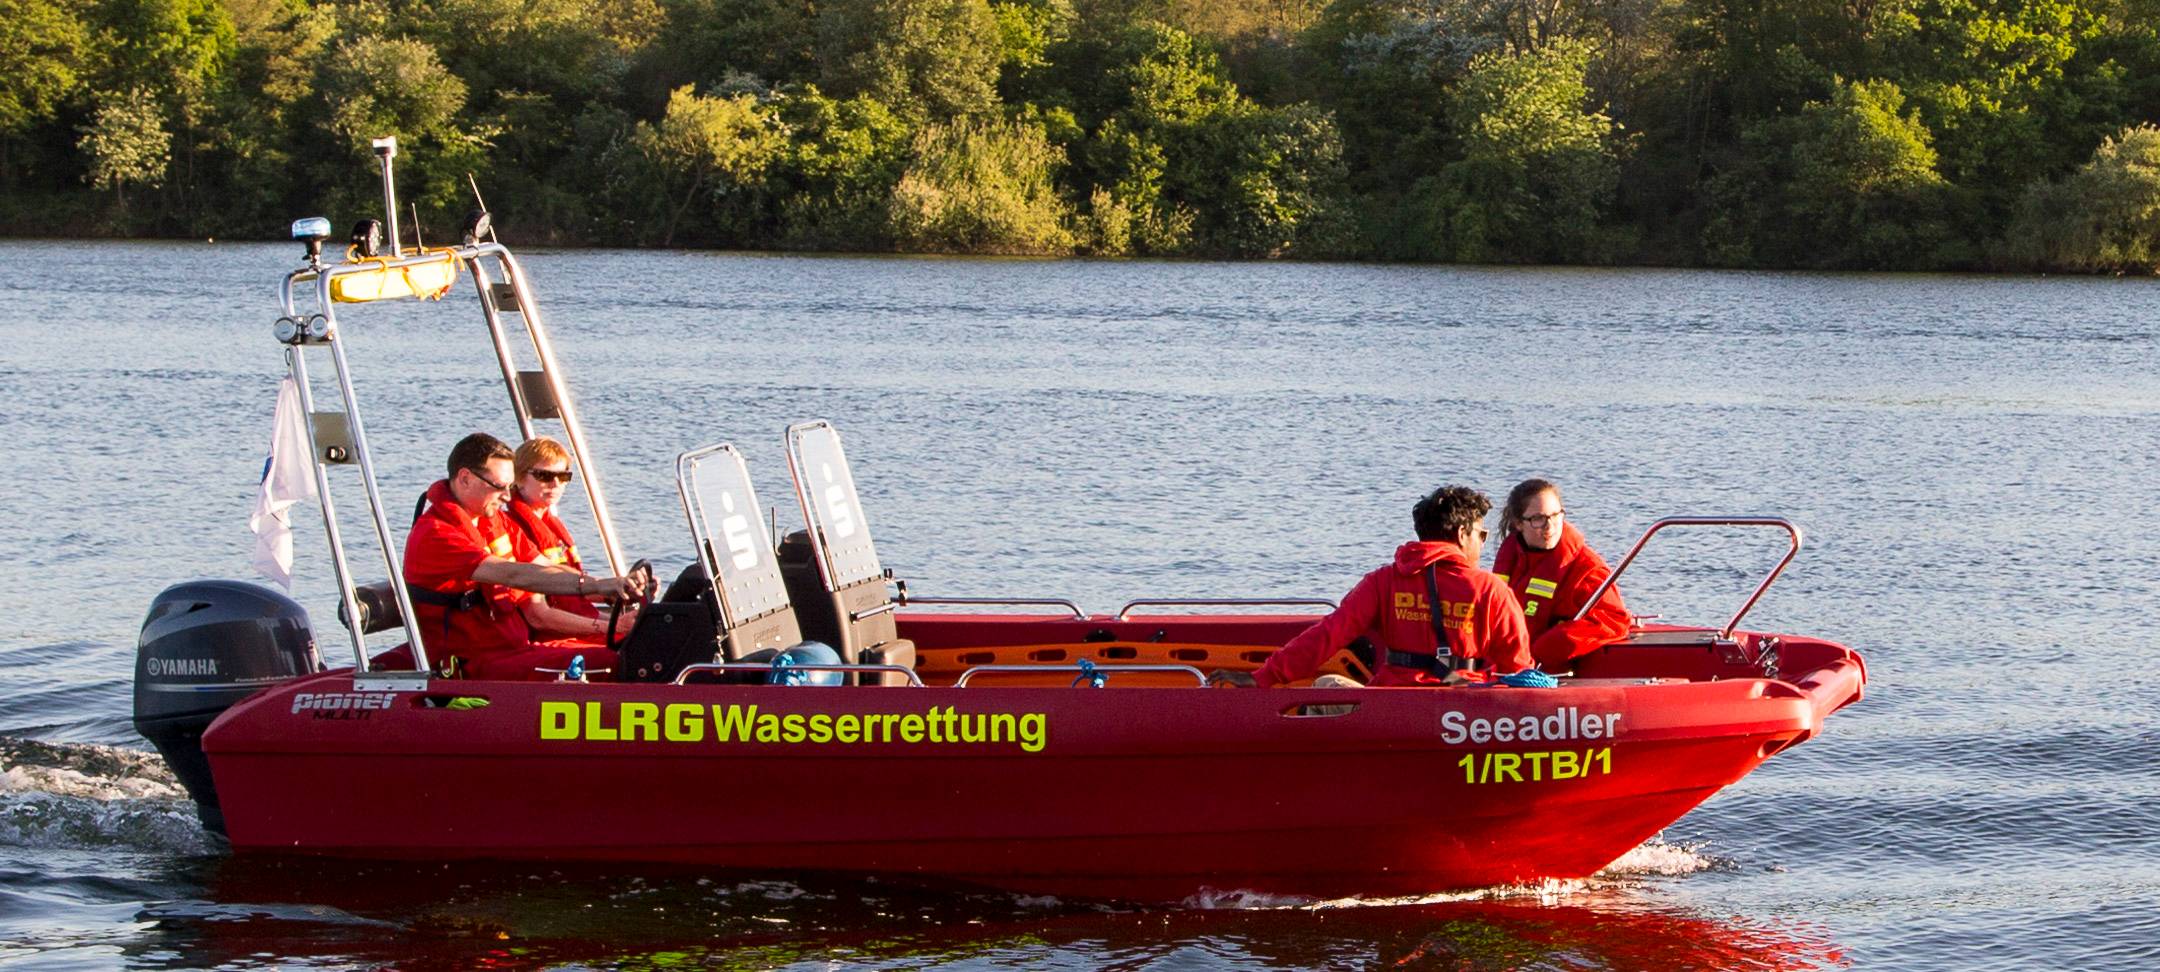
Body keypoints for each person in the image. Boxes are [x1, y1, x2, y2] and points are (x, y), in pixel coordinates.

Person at [1210, 485, 1533, 689]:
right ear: (1463, 534)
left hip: (1390, 704)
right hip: (1462, 712)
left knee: (1327, 684)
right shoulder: (1491, 590)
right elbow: (1518, 670)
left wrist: (1263, 677)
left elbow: (1328, 635)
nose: (1482, 543)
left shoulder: (1383, 581)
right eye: (1482, 535)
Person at [402, 433, 638, 680]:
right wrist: (595, 586)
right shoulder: (437, 534)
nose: (507, 496)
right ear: (465, 478)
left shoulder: (494, 521)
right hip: (474, 663)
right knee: (621, 662)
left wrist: (611, 586)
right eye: (499, 486)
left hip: (514, 648)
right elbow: (513, 574)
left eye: (509, 486)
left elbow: (543, 565)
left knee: (634, 647)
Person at [1491, 478, 1631, 672]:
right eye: (1538, 519)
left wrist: (1547, 647)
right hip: (1504, 666)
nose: (1549, 526)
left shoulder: (1586, 569)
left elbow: (1614, 620)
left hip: (1546, 673)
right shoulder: (1513, 558)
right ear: (1519, 523)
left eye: (1555, 516)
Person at [503, 436, 623, 643]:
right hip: (548, 639)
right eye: (544, 475)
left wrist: (614, 592)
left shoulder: (550, 526)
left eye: (563, 476)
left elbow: (570, 591)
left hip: (574, 628)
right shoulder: (514, 530)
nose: (555, 483)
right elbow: (538, 616)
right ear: (519, 478)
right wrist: (614, 626)